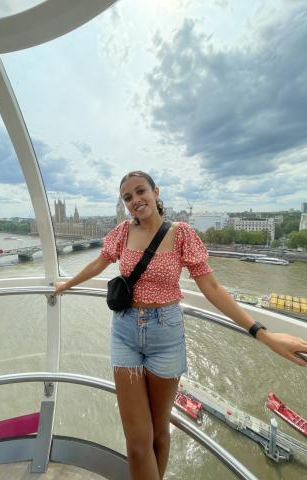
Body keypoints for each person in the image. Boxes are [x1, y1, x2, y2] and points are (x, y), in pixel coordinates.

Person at [55, 171, 307, 480]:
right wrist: (66, 283)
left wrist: (263, 334)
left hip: (166, 335)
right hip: (125, 332)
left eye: (140, 191)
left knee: (159, 433)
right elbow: (99, 263)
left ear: (155, 192)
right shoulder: (122, 233)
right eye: (128, 197)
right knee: (137, 444)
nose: (135, 200)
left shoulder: (182, 234)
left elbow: (212, 288)